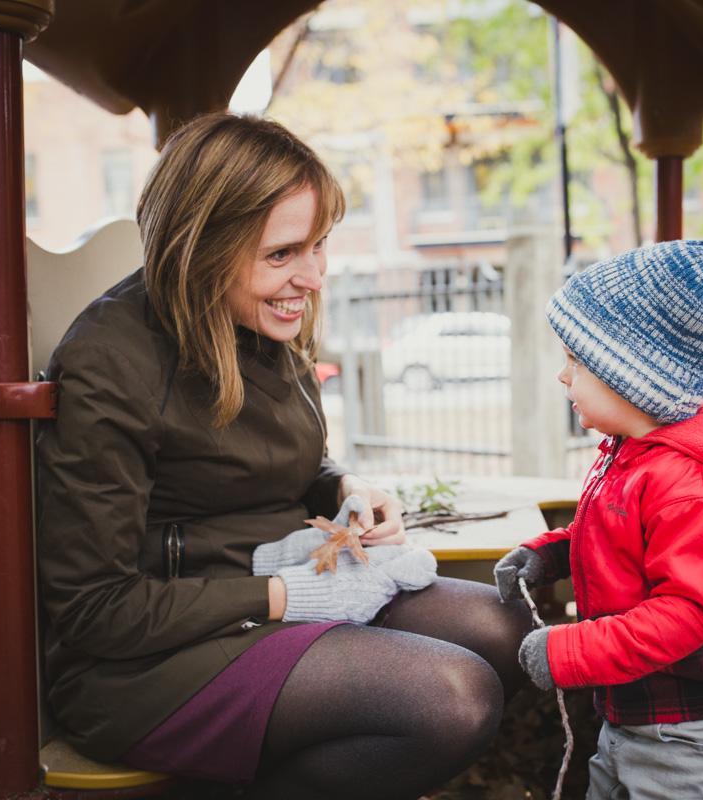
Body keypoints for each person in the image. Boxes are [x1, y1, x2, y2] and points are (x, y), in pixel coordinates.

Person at [35, 112, 532, 800]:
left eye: (319, 245)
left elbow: (294, 462)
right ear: (200, 247)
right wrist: (292, 595)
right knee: (454, 697)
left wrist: (345, 489)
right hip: (153, 660)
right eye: (283, 254)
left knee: (510, 627)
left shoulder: (259, 319)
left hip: (281, 590)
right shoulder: (109, 362)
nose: (314, 276)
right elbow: (96, 610)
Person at [494, 240, 703, 800]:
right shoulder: (634, 450)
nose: (562, 376)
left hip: (694, 730)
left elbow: (682, 616)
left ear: (633, 376)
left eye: (576, 361)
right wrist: (550, 554)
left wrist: (568, 651)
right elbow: (616, 533)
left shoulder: (689, 491)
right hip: (636, 709)